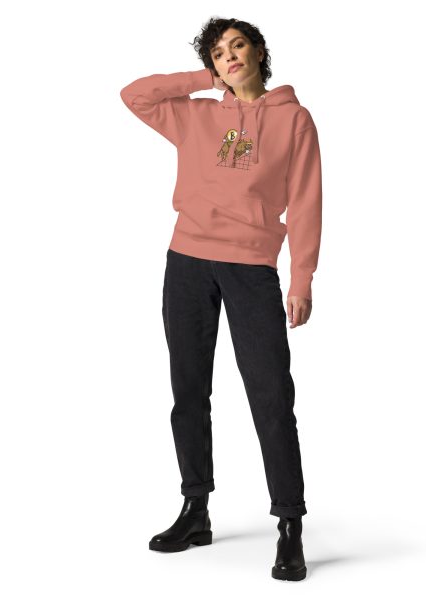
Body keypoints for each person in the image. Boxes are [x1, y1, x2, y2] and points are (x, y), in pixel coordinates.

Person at [119, 17, 322, 581]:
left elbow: (307, 201)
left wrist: (301, 279)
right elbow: (134, 94)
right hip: (186, 262)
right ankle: (196, 510)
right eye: (218, 53)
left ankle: (289, 523)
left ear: (258, 52)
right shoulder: (197, 115)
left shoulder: (294, 120)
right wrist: (202, 81)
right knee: (188, 390)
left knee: (271, 396)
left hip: (251, 267)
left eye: (238, 45)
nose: (230, 56)